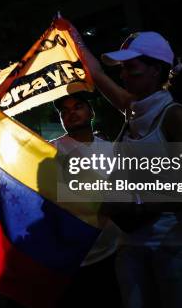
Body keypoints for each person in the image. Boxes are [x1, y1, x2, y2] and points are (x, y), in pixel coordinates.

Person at [73, 31, 182, 308]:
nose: (123, 76)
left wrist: (136, 205)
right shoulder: (132, 109)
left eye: (131, 68)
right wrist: (73, 37)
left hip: (173, 249)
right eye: (121, 69)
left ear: (156, 69)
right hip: (131, 247)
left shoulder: (174, 116)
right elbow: (97, 74)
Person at [49, 93, 122, 307]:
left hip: (115, 252)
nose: (71, 113)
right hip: (73, 259)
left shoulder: (111, 151)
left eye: (77, 107)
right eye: (64, 111)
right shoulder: (50, 151)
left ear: (91, 112)